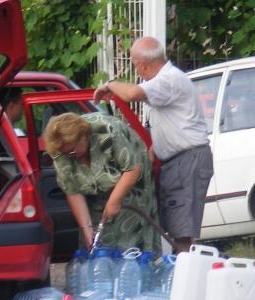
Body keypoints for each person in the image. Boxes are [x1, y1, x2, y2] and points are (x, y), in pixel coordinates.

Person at [93, 37, 213, 252]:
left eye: (134, 65)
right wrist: (149, 157)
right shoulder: (164, 82)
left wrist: (108, 85)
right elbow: (164, 127)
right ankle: (177, 273)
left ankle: (182, 276)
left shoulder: (169, 80)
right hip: (177, 161)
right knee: (172, 228)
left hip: (187, 160)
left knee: (181, 232)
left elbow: (131, 94)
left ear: (142, 64)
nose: (137, 71)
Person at [44, 111, 161, 252]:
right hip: (96, 195)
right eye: (66, 154)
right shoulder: (60, 151)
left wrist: (114, 201)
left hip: (132, 185)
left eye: (72, 152)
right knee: (96, 240)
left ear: (84, 137)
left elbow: (133, 169)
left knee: (130, 239)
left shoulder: (108, 131)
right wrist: (86, 228)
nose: (70, 157)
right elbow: (72, 190)